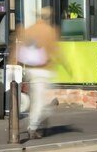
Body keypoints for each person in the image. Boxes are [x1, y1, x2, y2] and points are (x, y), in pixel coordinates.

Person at [11, 7, 60, 139]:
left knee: (36, 100)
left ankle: (35, 123)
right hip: (43, 70)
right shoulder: (50, 31)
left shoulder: (30, 29)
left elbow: (19, 47)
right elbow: (55, 51)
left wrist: (14, 63)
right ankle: (32, 127)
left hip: (30, 69)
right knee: (40, 102)